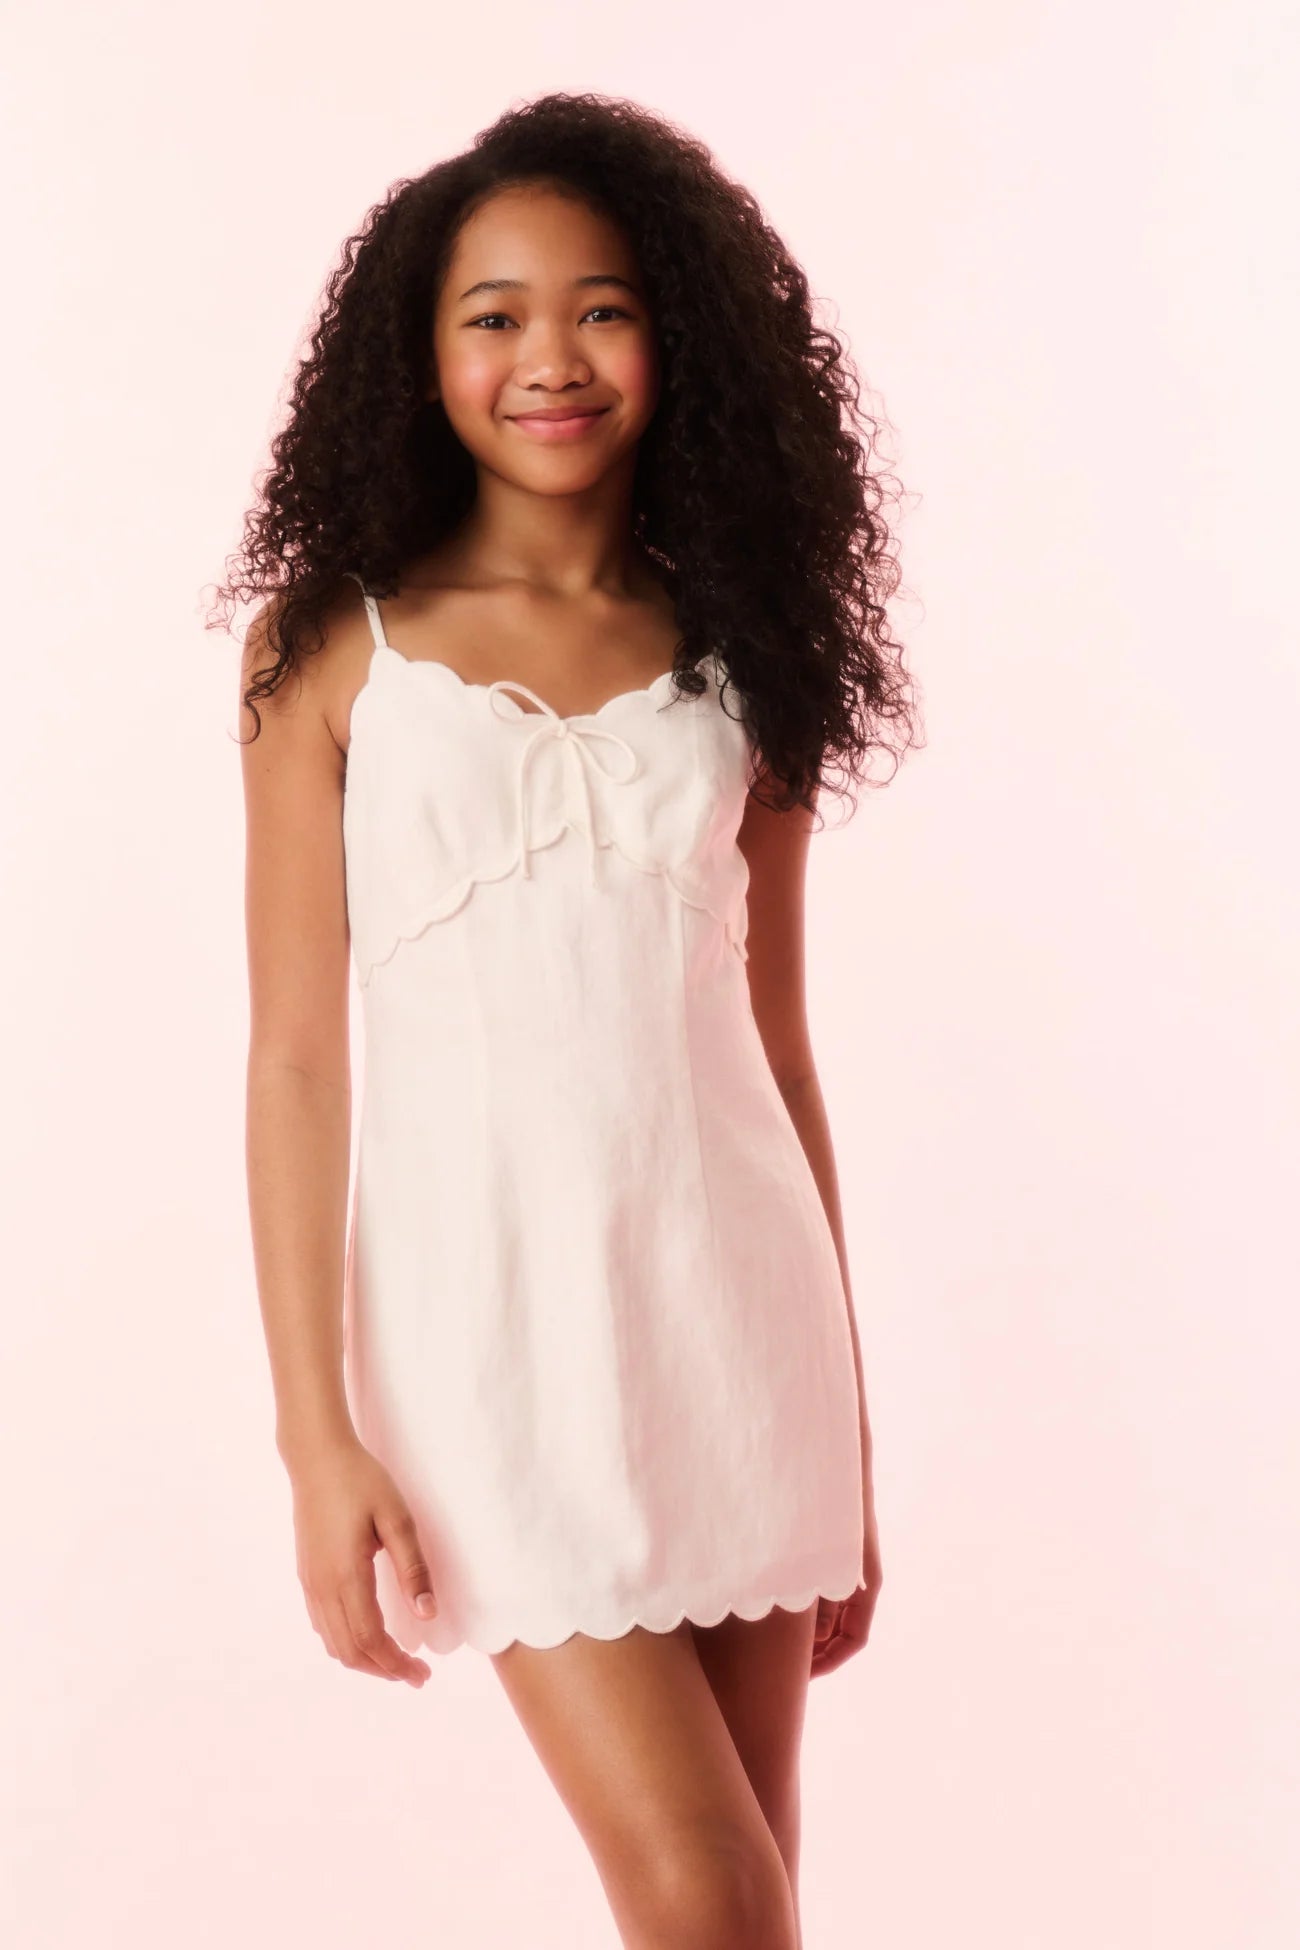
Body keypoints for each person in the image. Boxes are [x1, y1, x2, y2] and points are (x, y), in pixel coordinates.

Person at [223, 90, 918, 1950]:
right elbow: (294, 1061)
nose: (552, 357)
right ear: (421, 353)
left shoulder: (748, 651)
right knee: (703, 1890)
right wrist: (315, 1436)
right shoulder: (333, 646)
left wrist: (849, 1430)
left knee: (753, 1897)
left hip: (738, 1331)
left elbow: (779, 1050)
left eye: (603, 308)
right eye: (496, 315)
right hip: (492, 1343)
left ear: (678, 338)